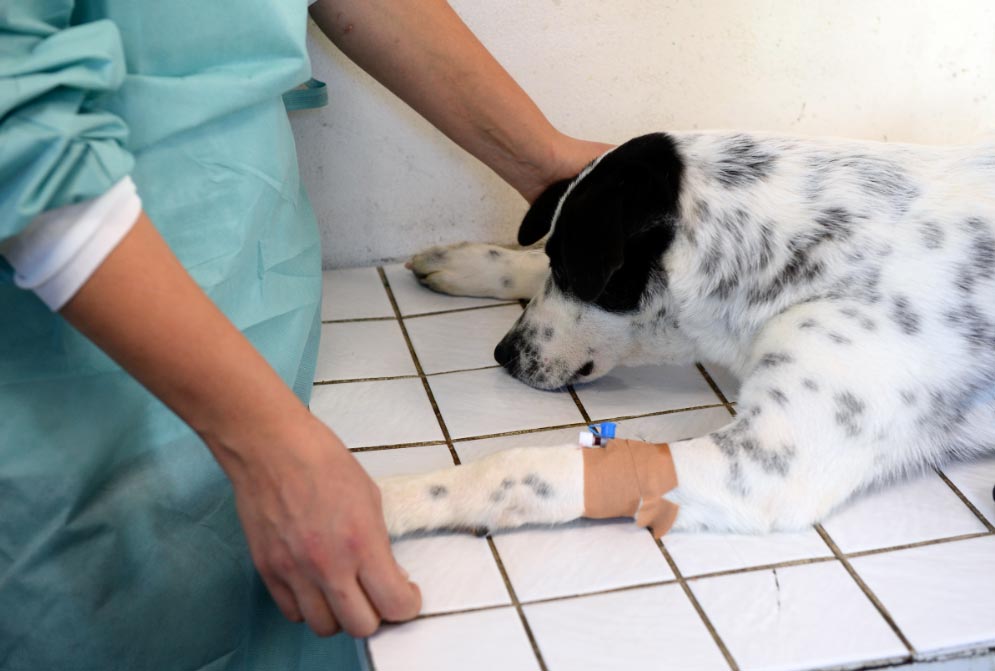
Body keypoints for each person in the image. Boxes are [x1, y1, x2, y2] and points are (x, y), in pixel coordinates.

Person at [0, 1, 610, 669]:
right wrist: (270, 446)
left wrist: (549, 167)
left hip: (257, 299)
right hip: (63, 390)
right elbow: (21, 141)